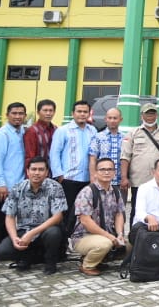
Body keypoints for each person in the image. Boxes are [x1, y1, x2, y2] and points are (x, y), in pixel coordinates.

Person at [0, 157, 67, 274]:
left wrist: (32, 233)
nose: (37, 173)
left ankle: (50, 262)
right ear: (28, 171)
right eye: (33, 169)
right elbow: (9, 216)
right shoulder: (17, 188)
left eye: (41, 169)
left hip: (46, 231)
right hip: (24, 230)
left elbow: (58, 217)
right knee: (2, 252)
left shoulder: (55, 187)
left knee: (53, 233)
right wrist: (14, 238)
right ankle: (28, 257)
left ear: (47, 172)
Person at [71, 158, 126, 276]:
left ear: (114, 172)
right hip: (83, 237)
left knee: (132, 244)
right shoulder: (87, 192)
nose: (106, 172)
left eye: (110, 169)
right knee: (105, 244)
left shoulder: (116, 191)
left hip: (108, 234)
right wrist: (109, 237)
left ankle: (102, 258)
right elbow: (85, 221)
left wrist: (120, 234)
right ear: (95, 172)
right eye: (102, 169)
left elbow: (119, 214)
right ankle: (87, 265)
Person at [49, 99, 97, 235]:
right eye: (79, 111)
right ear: (73, 113)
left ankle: (80, 240)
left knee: (84, 213)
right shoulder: (63, 131)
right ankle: (63, 242)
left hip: (87, 180)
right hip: (68, 179)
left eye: (85, 112)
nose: (82, 114)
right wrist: (59, 175)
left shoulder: (92, 130)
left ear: (89, 114)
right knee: (66, 212)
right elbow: (54, 153)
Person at [0, 102, 27, 258]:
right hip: (4, 185)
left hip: (18, 184)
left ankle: (5, 248)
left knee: (10, 217)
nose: (18, 116)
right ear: (7, 115)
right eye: (14, 113)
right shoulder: (2, 134)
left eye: (21, 113)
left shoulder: (22, 132)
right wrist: (1, 183)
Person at [120, 102, 159, 226]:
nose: (150, 117)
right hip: (138, 180)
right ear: (141, 115)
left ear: (157, 115)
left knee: (158, 210)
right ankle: (134, 235)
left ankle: (156, 234)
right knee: (137, 210)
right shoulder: (133, 133)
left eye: (152, 114)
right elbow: (125, 157)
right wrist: (124, 177)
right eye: (147, 114)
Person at [88, 107, 126, 201]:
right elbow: (93, 158)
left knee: (120, 207)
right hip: (102, 181)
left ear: (120, 119)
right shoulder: (98, 137)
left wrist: (125, 178)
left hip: (119, 182)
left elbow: (126, 159)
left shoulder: (125, 138)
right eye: (110, 118)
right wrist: (93, 177)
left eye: (115, 118)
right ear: (105, 119)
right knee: (101, 207)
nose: (112, 120)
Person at [23, 99, 57, 169]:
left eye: (51, 110)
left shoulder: (56, 129)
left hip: (53, 170)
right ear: (38, 112)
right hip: (38, 170)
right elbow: (30, 155)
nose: (48, 113)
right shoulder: (32, 131)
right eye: (45, 110)